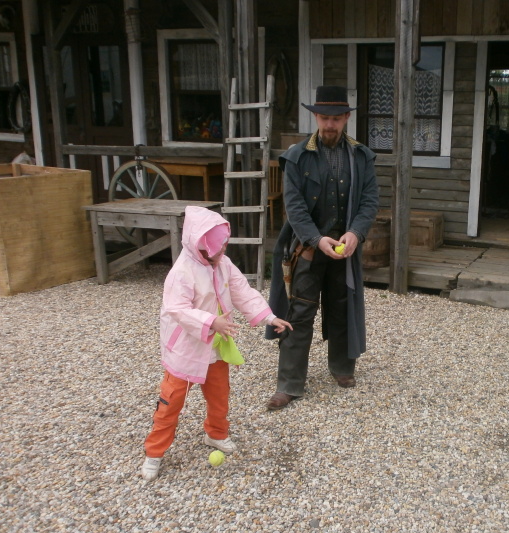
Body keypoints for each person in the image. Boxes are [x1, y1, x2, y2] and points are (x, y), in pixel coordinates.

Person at [141, 206, 292, 481]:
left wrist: (269, 317)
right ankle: (154, 451)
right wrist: (211, 322)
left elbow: (242, 291)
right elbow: (177, 309)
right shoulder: (181, 272)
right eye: (216, 249)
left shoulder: (223, 263)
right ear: (198, 246)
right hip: (186, 349)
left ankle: (216, 433)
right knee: (171, 401)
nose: (221, 252)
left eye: (223, 247)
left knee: (220, 395)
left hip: (216, 347)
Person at [265, 85, 379, 410]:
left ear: (346, 118)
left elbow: (370, 201)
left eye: (336, 118)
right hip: (307, 248)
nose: (330, 124)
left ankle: (342, 367)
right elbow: (294, 206)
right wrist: (315, 239)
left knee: (342, 307)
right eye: (324, 118)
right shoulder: (296, 156)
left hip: (344, 248)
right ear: (315, 117)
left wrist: (356, 233)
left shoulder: (361, 156)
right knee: (299, 311)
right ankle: (289, 384)